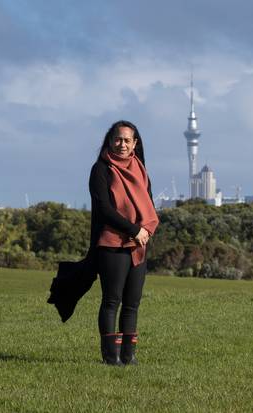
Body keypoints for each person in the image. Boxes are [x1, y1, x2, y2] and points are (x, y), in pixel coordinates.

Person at [88, 120, 159, 366]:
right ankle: (110, 357)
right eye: (118, 139)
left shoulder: (141, 170)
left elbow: (148, 204)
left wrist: (145, 231)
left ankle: (129, 357)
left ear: (135, 144)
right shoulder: (101, 170)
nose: (122, 144)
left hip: (139, 243)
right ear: (110, 141)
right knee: (111, 301)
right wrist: (134, 229)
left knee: (132, 303)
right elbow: (105, 210)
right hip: (113, 244)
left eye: (127, 140)